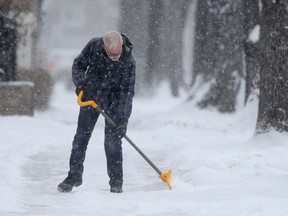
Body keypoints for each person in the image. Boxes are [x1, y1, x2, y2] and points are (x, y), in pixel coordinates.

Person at [57, 31, 136, 193]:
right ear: (103, 47)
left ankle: (116, 182)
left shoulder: (129, 60)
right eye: (111, 55)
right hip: (91, 97)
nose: (115, 58)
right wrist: (81, 85)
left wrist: (123, 118)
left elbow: (127, 93)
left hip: (114, 102)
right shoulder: (94, 46)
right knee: (81, 138)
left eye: (117, 54)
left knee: (112, 141)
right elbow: (78, 65)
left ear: (121, 45)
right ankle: (74, 176)